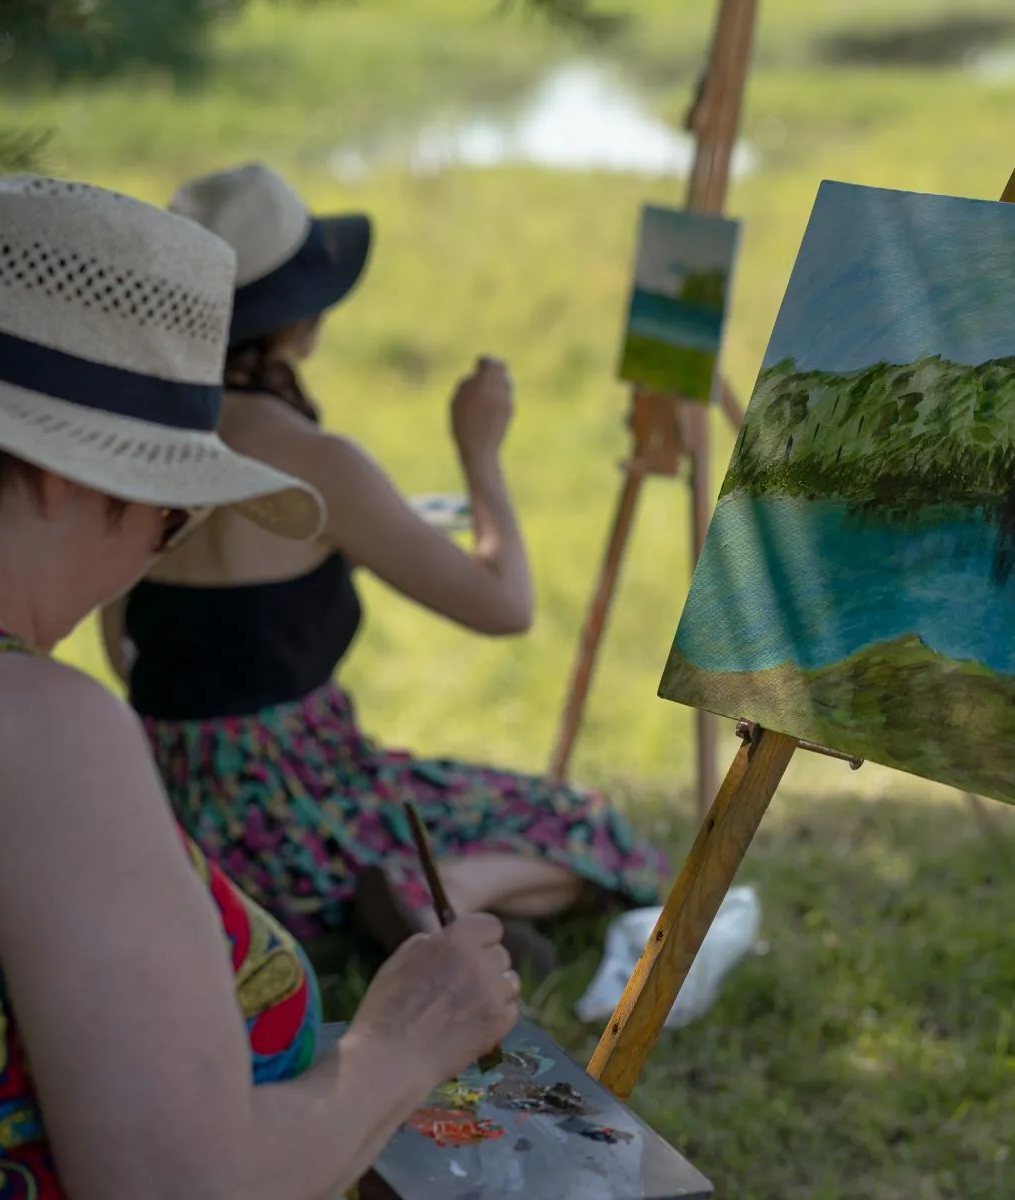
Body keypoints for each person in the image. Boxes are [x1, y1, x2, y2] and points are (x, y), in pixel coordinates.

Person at [0, 175, 518, 1198]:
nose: (152, 555)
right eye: (168, 518)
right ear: (67, 475)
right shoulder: (29, 728)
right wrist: (398, 1048)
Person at [98, 162, 667, 972]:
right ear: (300, 320)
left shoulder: (128, 440)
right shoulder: (318, 463)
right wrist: (481, 454)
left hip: (180, 812)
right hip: (306, 791)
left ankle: (328, 925)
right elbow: (503, 606)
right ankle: (438, 893)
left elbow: (121, 647)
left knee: (489, 826)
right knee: (584, 827)